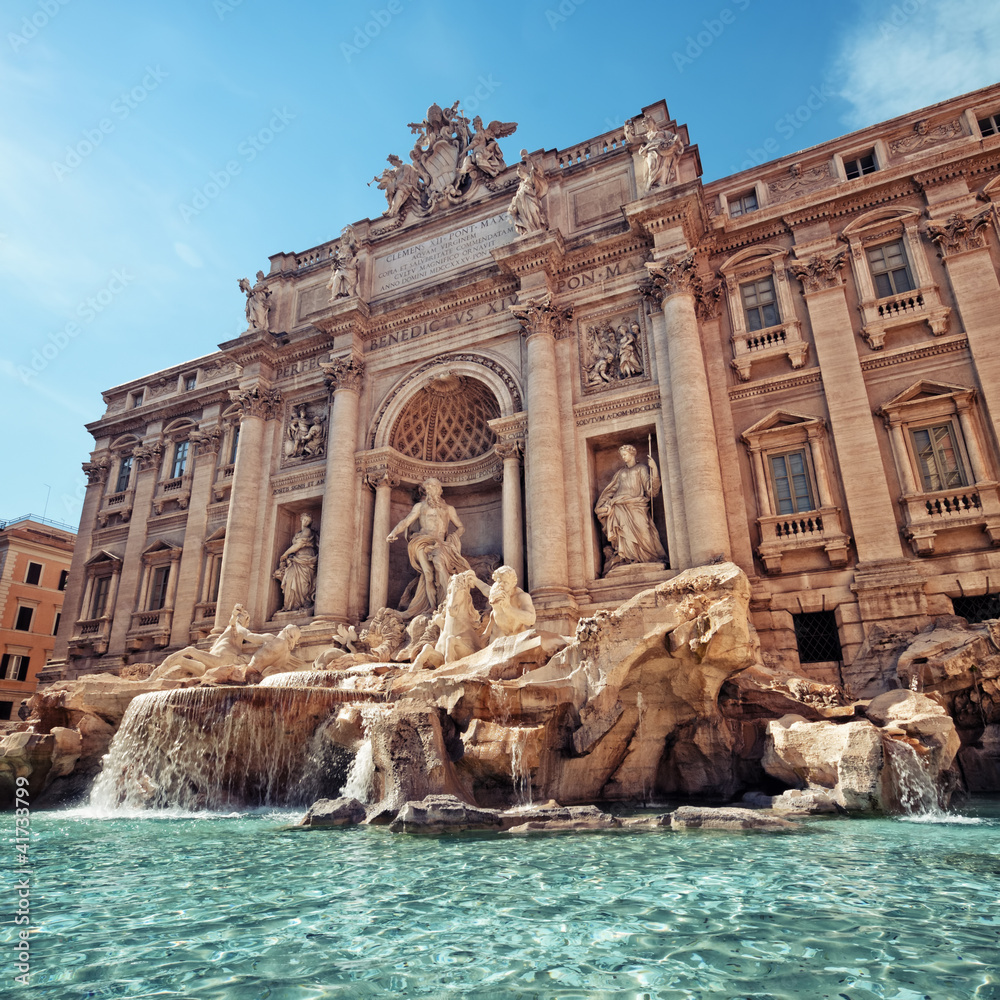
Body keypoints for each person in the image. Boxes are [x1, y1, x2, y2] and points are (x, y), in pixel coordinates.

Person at [387, 477, 471, 617]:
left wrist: (453, 537)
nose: (431, 490)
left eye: (433, 487)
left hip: (440, 543)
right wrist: (393, 532)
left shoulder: (449, 509)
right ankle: (432, 606)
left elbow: (461, 527)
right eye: (428, 488)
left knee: (439, 564)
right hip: (421, 541)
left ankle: (449, 599)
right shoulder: (419, 507)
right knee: (427, 573)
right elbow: (406, 521)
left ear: (440, 489)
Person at [148, 604, 269, 679]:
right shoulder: (233, 627)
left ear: (246, 620)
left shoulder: (238, 628)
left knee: (190, 650)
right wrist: (234, 614)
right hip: (210, 666)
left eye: (242, 616)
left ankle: (154, 676)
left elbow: (250, 636)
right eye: (240, 616)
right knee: (181, 661)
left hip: (220, 662)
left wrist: (269, 639)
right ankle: (154, 676)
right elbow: (232, 621)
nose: (239, 618)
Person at [595, 445, 667, 571]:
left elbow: (651, 491)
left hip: (637, 505)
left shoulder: (641, 469)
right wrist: (602, 504)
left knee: (644, 532)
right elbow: (611, 490)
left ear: (633, 454)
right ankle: (628, 559)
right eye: (622, 455)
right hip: (619, 506)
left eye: (625, 454)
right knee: (623, 533)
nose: (623, 457)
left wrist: (654, 469)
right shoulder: (620, 473)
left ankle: (649, 558)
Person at [468, 565, 536, 642]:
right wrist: (475, 580)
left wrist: (508, 608)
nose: (501, 585)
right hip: (497, 635)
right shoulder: (496, 589)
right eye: (499, 581)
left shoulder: (522, 597)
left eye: (505, 583)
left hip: (516, 636)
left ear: (513, 584)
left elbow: (531, 619)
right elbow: (487, 591)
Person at [274, 513, 318, 612]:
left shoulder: (307, 531)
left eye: (308, 521)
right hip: (296, 560)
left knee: (303, 584)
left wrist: (285, 553)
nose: (306, 522)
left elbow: (299, 544)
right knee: (290, 580)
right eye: (305, 520)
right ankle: (290, 606)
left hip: (306, 560)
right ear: (301, 519)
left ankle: (302, 603)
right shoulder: (298, 533)